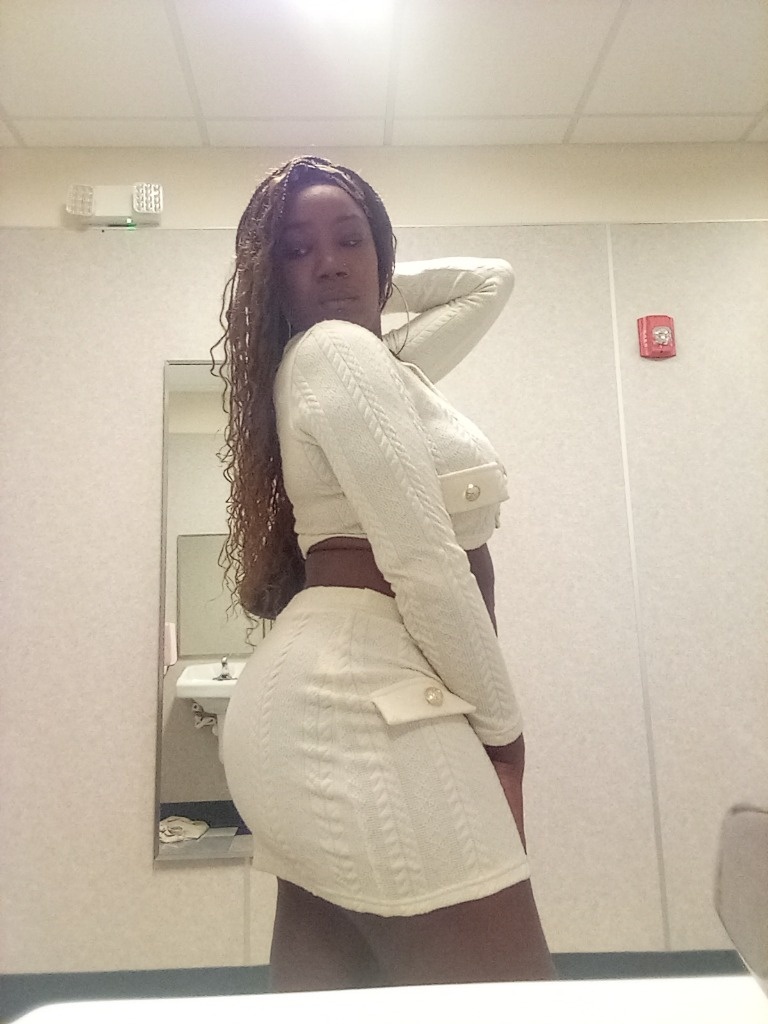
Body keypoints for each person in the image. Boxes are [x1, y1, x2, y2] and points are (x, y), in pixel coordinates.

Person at [214, 155, 554, 990]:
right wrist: (505, 740)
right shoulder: (337, 352)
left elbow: (488, 282)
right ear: (270, 278)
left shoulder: (370, 361)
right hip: (362, 706)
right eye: (296, 251)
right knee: (511, 1001)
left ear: (381, 252)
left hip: (327, 704)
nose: (329, 263)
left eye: (350, 240)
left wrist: (362, 281)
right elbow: (422, 559)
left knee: (336, 1001)